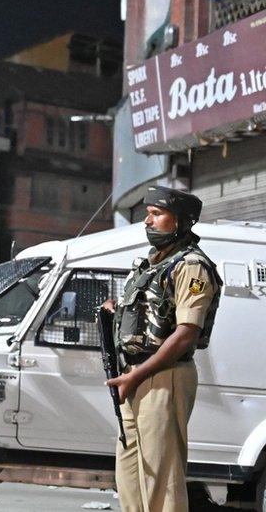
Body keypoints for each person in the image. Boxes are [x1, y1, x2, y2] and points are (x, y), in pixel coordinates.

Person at [103, 186, 221, 512]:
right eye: (148, 213)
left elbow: (186, 334)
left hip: (162, 376)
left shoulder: (191, 266)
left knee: (161, 477)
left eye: (157, 214)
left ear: (181, 221)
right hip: (137, 376)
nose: (147, 221)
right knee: (130, 477)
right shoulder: (153, 265)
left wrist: (139, 374)